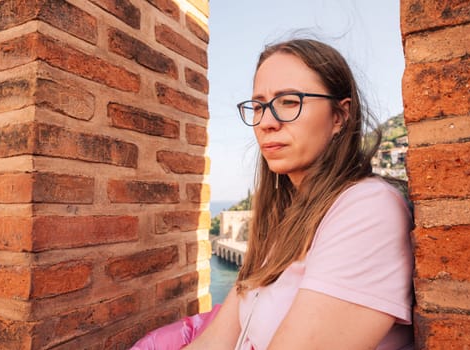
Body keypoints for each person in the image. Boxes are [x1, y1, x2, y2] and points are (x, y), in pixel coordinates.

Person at [132, 37, 414, 350]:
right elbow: (215, 343)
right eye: (258, 106)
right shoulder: (282, 222)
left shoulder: (366, 209)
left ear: (340, 116)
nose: (266, 122)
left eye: (289, 102)